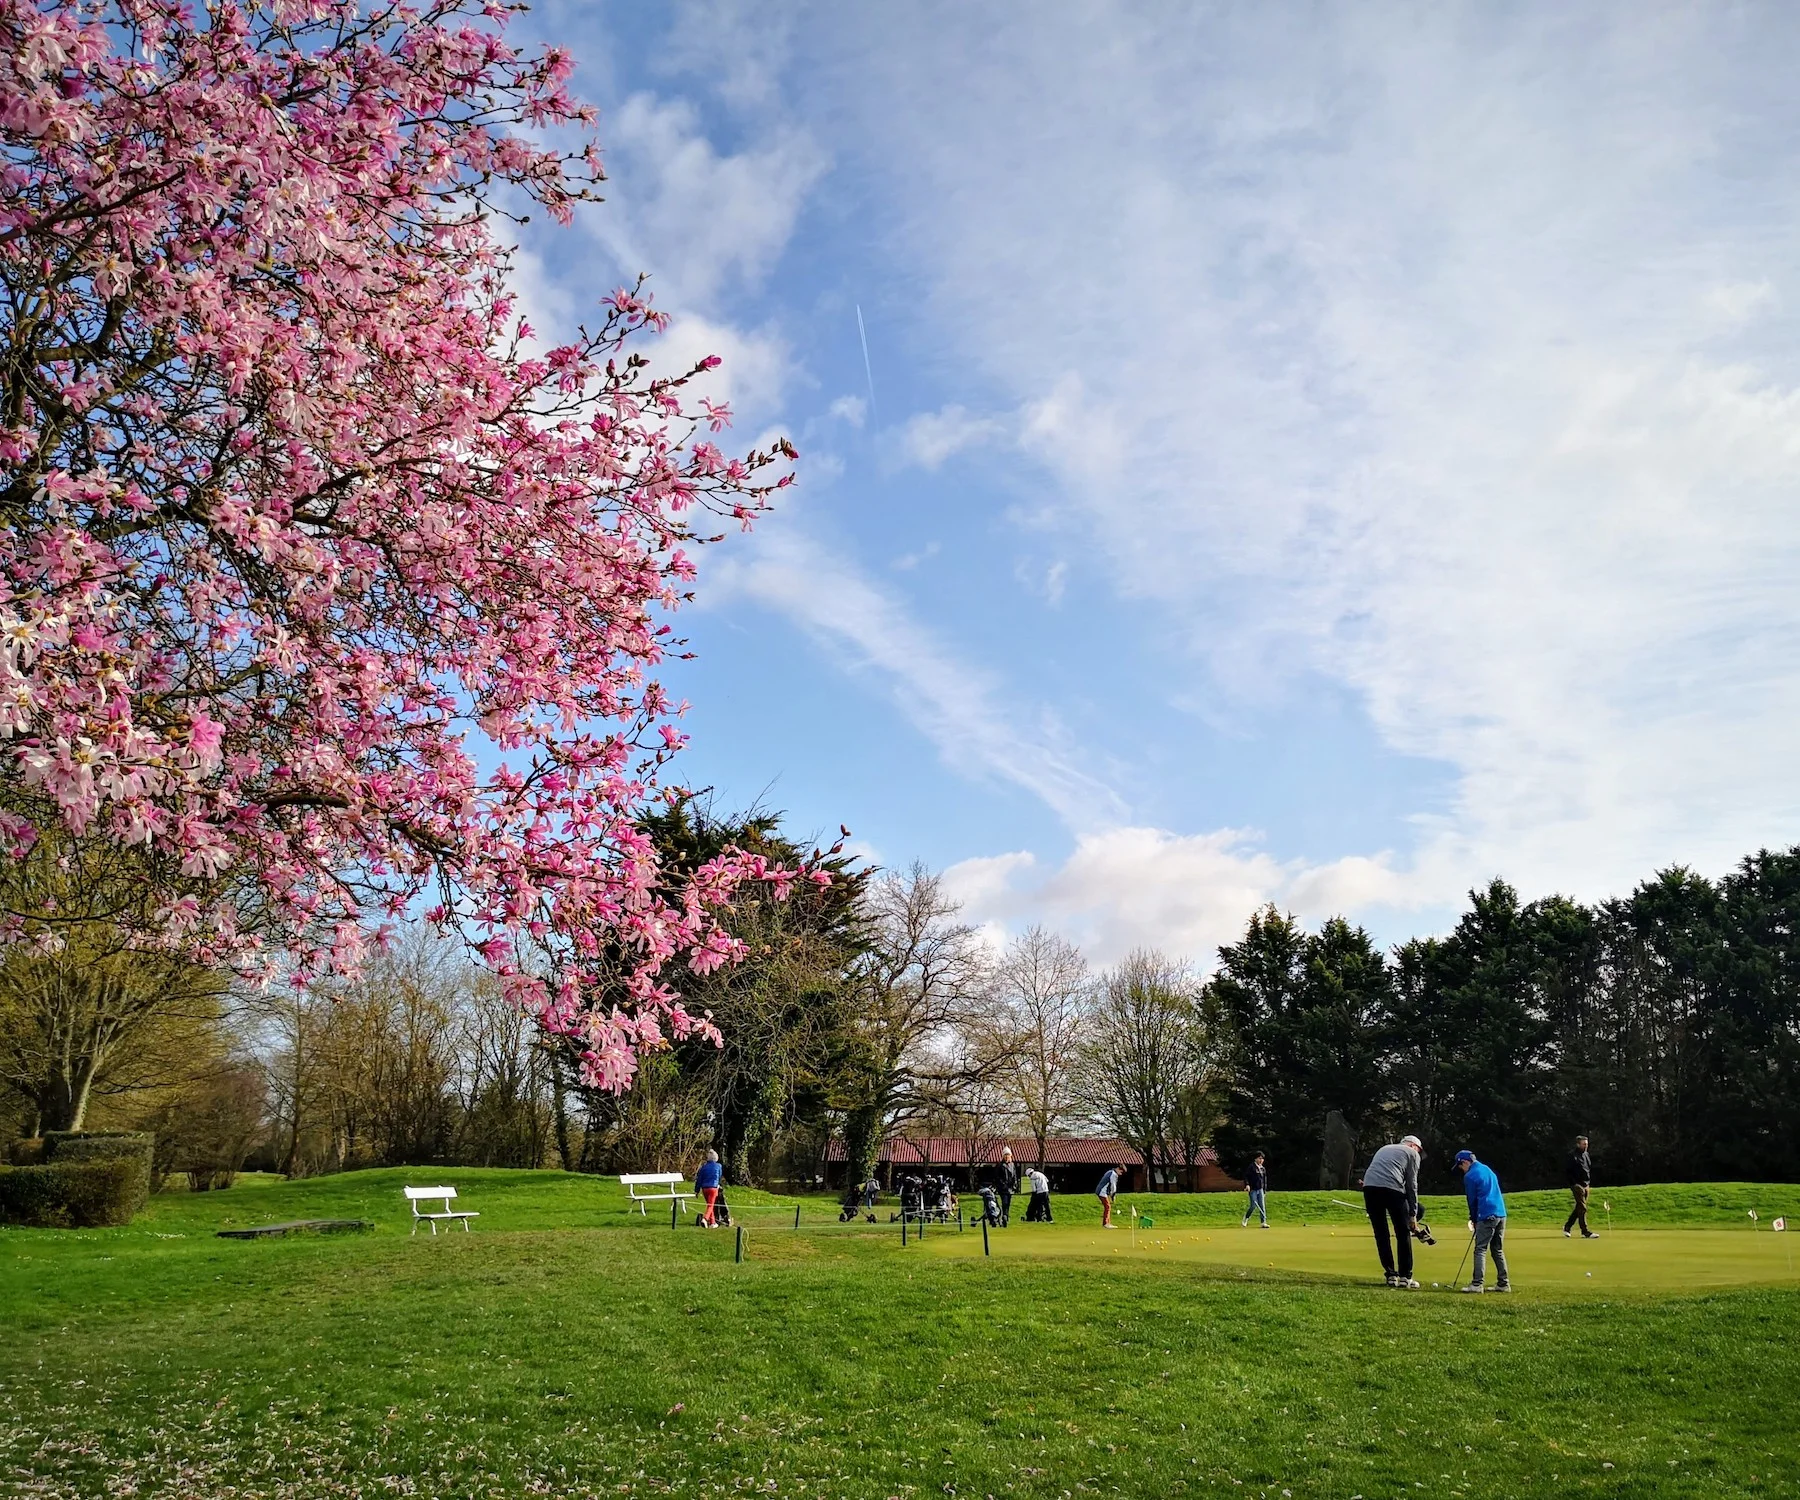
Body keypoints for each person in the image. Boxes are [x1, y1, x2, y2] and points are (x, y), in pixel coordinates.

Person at [1361, 1134, 1424, 1287]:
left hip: (1369, 1189)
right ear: (1413, 1146)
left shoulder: (1384, 1148)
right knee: (1403, 1233)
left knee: (1381, 1234)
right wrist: (1413, 1214)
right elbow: (1411, 1185)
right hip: (1393, 1190)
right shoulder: (1413, 1154)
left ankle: (1390, 1275)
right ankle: (1405, 1277)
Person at [1455, 1149, 1510, 1292]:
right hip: (1501, 1214)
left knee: (1480, 1249)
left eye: (1460, 1166)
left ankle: (1477, 1284)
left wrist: (1473, 1219)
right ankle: (1503, 1284)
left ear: (1465, 1162)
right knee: (1497, 1249)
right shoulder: (1487, 1169)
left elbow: (1472, 1200)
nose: (1461, 1170)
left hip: (1486, 1215)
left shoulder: (1470, 1176)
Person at [1564, 1136, 1597, 1239]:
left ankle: (1567, 1227)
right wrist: (1573, 1183)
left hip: (1586, 1184)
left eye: (1587, 1144)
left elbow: (1588, 1169)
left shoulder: (1586, 1155)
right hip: (1577, 1185)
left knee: (1579, 1207)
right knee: (1582, 1208)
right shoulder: (1572, 1156)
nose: (1586, 1146)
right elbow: (1568, 1172)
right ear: (1578, 1144)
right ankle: (1585, 1231)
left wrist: (1587, 1183)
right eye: (1584, 1144)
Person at [695, 1149, 724, 1228]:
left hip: (705, 1188)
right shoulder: (718, 1166)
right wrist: (719, 1185)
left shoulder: (703, 1167)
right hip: (713, 1188)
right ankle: (705, 1219)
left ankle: (712, 1223)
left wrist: (697, 1190)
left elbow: (699, 1179)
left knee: (709, 1205)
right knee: (711, 1206)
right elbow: (719, 1177)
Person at [1242, 1151, 1269, 1228]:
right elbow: (1246, 1177)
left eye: (1262, 1159)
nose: (1261, 1160)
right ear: (1256, 1159)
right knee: (1253, 1206)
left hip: (1260, 1189)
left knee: (1262, 1206)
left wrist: (1264, 1191)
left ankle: (1263, 1222)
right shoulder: (1251, 1167)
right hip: (1253, 1189)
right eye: (1259, 1158)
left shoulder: (1263, 1169)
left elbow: (1264, 1181)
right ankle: (1246, 1218)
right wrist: (1247, 1185)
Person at [996, 1147, 1018, 1227]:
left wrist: (1015, 1184)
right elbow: (998, 1177)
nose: (1007, 1156)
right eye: (1005, 1155)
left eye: (1008, 1155)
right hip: (1003, 1188)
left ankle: (1006, 1216)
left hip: (1010, 1188)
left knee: (1008, 1203)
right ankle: (1004, 1216)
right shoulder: (1000, 1165)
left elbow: (1014, 1175)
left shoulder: (1012, 1165)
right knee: (1004, 1202)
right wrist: (1003, 1185)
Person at [1096, 1163, 1122, 1228]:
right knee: (1108, 1206)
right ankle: (1106, 1223)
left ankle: (1108, 1223)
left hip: (1100, 1190)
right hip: (1102, 1191)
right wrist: (1113, 1195)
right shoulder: (1114, 1175)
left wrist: (1111, 1195)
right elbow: (1113, 1187)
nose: (1121, 1174)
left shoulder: (1110, 1171)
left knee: (1107, 1206)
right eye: (1121, 1172)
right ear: (1118, 1169)